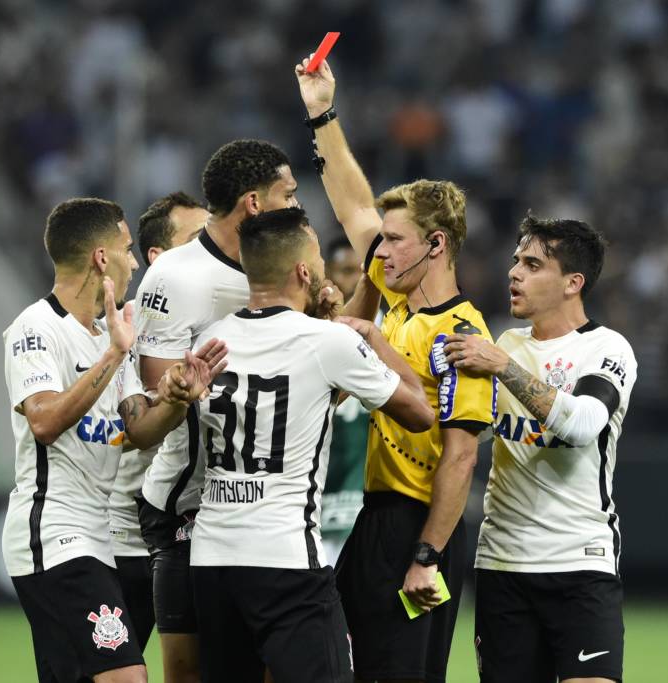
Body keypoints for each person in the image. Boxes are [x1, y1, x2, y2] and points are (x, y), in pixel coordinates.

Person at [296, 57, 496, 682]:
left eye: (394, 240)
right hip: (374, 518)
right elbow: (353, 201)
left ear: (436, 245)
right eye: (380, 240)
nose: (377, 250)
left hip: (418, 527)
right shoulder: (398, 297)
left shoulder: (463, 334)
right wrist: (322, 113)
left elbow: (461, 459)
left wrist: (427, 556)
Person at [189, 207, 434, 683]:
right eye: (318, 253)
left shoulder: (210, 338)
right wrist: (375, 339)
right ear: (303, 270)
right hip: (285, 559)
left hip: (212, 558)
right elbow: (419, 412)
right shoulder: (327, 343)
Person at [2, 197, 227, 683]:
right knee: (127, 676)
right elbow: (43, 421)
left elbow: (139, 433)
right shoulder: (35, 329)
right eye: (126, 250)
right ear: (101, 258)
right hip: (53, 529)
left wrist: (178, 397)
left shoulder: (110, 331)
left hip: (94, 533)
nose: (133, 262)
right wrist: (114, 355)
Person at [131, 139, 304, 683]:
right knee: (191, 675)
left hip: (271, 507)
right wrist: (190, 385)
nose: (298, 205)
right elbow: (160, 388)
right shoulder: (176, 276)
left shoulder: (289, 268)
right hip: (190, 503)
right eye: (288, 193)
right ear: (254, 203)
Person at [443, 215, 637, 683]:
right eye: (515, 262)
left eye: (532, 264)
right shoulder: (506, 343)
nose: (514, 273)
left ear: (574, 282)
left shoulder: (606, 348)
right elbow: (474, 432)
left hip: (580, 563)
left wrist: (502, 368)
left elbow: (585, 424)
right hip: (502, 565)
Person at [110, 191, 209, 652]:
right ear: (158, 258)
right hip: (120, 538)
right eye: (196, 242)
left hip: (191, 530)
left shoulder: (213, 325)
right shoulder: (116, 333)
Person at [320, 236, 377, 562]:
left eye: (361, 271)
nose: (354, 280)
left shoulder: (393, 336)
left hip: (367, 505)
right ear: (327, 275)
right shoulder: (310, 334)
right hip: (315, 508)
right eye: (345, 270)